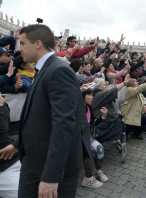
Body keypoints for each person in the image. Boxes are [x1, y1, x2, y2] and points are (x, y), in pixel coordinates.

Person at [13, 24, 91, 197]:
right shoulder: (46, 68)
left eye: (23, 43)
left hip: (51, 168)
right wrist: (17, 145)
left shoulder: (58, 70)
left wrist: (51, 176)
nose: (19, 49)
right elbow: (39, 118)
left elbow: (64, 124)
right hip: (36, 160)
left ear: (38, 43)